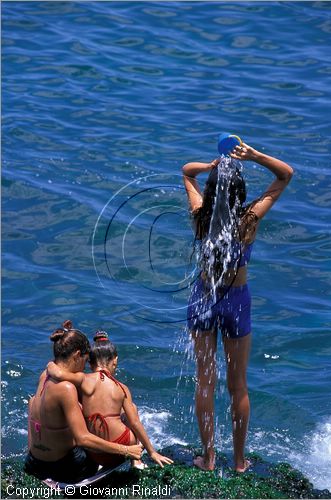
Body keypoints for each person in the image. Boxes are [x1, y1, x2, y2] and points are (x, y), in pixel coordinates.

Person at [182, 141, 293, 472]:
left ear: (212, 190)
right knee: (238, 385)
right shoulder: (249, 219)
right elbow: (285, 175)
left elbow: (187, 172)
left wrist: (210, 166)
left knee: (205, 381)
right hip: (236, 302)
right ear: (241, 191)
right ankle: (241, 460)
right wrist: (255, 155)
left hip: (203, 298)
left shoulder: (200, 216)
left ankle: (209, 458)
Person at [24, 320, 143, 483]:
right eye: (85, 360)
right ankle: (136, 460)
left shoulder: (45, 375)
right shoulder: (66, 388)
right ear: (76, 355)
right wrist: (126, 450)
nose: (85, 367)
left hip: (33, 462)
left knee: (37, 403)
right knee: (121, 417)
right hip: (64, 468)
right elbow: (83, 439)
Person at [47, 330, 173, 469]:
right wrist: (152, 452)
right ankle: (136, 462)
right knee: (132, 411)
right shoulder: (121, 388)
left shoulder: (83, 380)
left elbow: (57, 373)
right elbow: (135, 423)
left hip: (94, 453)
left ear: (90, 363)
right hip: (122, 451)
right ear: (115, 361)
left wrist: (50, 364)